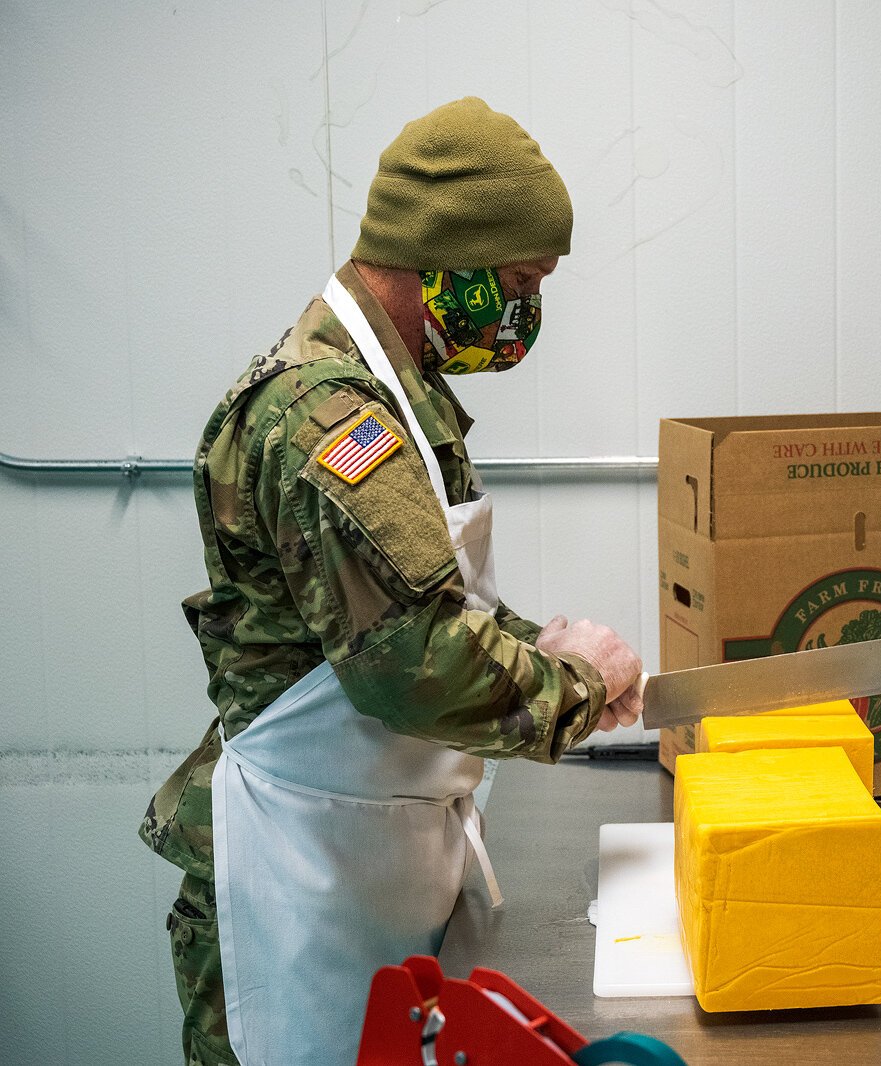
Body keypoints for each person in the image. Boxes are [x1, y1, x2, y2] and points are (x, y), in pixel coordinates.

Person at [138, 97, 644, 1066]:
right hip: (298, 870)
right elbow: (409, 663)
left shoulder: (396, 400)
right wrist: (573, 687)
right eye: (521, 280)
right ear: (443, 262)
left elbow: (428, 605)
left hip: (364, 844)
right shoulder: (329, 415)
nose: (526, 310)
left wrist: (537, 648)